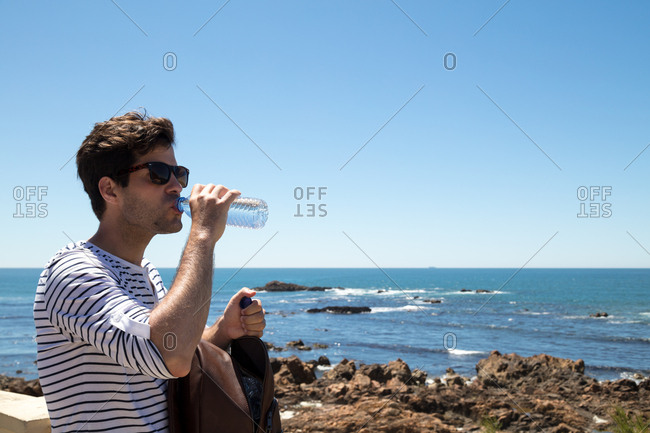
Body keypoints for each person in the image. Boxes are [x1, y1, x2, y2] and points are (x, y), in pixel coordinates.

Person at [33, 111, 266, 432]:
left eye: (178, 173)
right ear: (110, 190)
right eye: (157, 173)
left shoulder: (146, 273)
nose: (176, 186)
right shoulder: (74, 273)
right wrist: (203, 234)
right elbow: (169, 356)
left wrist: (223, 332)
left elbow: (168, 354)